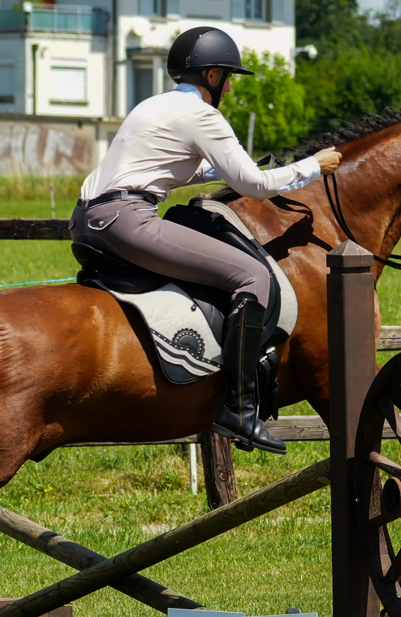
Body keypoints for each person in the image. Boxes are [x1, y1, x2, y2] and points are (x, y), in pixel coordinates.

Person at [72, 26, 341, 454]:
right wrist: (312, 165)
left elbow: (180, 168)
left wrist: (228, 168)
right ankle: (239, 409)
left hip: (90, 220)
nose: (231, 87)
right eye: (229, 77)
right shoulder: (203, 115)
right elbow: (254, 186)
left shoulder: (154, 105)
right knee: (253, 276)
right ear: (212, 75)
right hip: (125, 219)